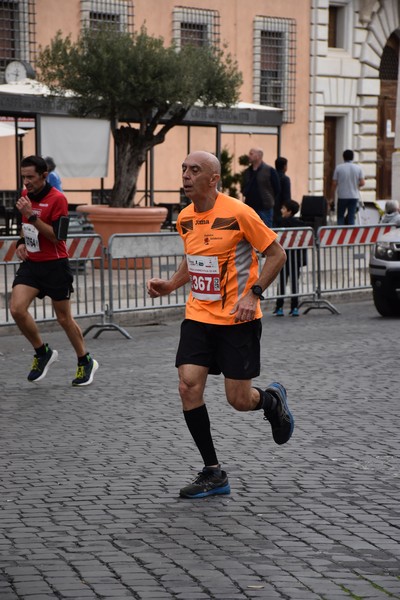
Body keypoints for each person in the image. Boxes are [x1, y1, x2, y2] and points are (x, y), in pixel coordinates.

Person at [147, 150, 294, 499]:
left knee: (239, 400)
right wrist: (170, 284)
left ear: (213, 179)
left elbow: (277, 255)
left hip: (238, 319)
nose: (185, 175)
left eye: (194, 170)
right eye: (183, 169)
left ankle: (271, 401)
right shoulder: (184, 218)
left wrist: (253, 294)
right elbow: (194, 261)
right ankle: (213, 472)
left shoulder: (239, 213)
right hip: (198, 316)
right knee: (188, 386)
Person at [10, 155, 98, 386]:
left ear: (44, 176)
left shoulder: (58, 199)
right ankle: (42, 352)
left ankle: (85, 360)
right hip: (32, 265)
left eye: (30, 177)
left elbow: (58, 236)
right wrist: (20, 244)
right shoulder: (25, 196)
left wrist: (32, 215)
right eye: (23, 177)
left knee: (63, 318)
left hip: (55, 265)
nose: (26, 182)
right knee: (17, 309)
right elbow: (25, 228)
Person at [273, 200, 307, 318]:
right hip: (296, 259)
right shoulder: (301, 224)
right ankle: (295, 307)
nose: (281, 210)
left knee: (282, 282)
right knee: (294, 283)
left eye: (283, 208)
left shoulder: (281, 222)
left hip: (283, 258)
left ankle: (279, 307)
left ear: (289, 211)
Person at [241, 147, 280, 228]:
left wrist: (269, 200)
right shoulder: (247, 171)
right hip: (250, 208)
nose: (249, 156)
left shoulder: (269, 170)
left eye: (251, 154)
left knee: (266, 231)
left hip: (264, 208)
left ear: (258, 156)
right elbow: (243, 186)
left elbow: (277, 188)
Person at [331, 149, 365, 225]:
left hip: (342, 195)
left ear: (343, 157)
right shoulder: (358, 168)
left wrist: (332, 196)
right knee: (351, 216)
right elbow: (362, 183)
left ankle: (340, 232)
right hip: (354, 196)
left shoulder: (338, 168)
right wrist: (356, 185)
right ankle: (351, 233)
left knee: (340, 216)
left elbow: (334, 184)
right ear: (352, 157)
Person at [274, 156, 291, 227]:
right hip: (281, 208)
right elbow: (287, 195)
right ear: (285, 166)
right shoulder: (285, 179)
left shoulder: (272, 176)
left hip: (272, 207)